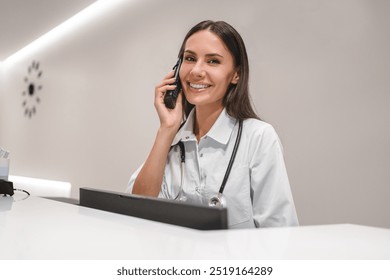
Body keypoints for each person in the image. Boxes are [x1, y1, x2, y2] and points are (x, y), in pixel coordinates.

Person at [127, 20, 299, 229]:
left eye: (213, 61)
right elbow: (136, 210)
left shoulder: (258, 137)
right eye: (190, 58)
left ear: (236, 74)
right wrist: (166, 130)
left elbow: (279, 232)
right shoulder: (173, 142)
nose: (196, 71)